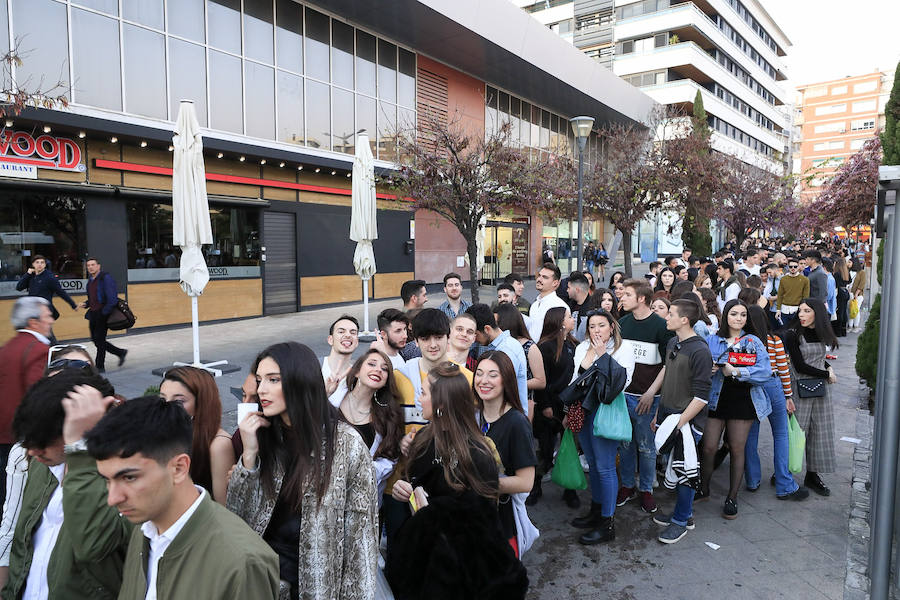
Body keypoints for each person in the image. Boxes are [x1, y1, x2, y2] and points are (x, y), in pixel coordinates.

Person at [85, 395, 280, 599]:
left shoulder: (241, 562)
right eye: (107, 480)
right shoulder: (143, 529)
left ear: (179, 468)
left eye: (129, 477)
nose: (113, 498)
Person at [228, 342, 378, 599]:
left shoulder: (346, 444)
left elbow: (361, 540)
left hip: (317, 585)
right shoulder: (261, 437)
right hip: (261, 582)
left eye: (273, 380)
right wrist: (249, 455)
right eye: (260, 379)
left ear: (301, 380)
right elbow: (236, 520)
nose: (261, 389)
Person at [386, 362, 527, 599]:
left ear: (441, 402)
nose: (419, 399)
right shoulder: (422, 437)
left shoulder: (478, 452)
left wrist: (432, 511)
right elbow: (415, 486)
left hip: (459, 572)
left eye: (423, 393)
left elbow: (481, 523)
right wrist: (406, 489)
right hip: (424, 560)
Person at [1, 370, 128, 598]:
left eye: (46, 441)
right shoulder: (43, 463)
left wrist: (79, 448)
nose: (33, 451)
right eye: (30, 440)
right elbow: (22, 544)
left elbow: (93, 544)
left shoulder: (127, 475)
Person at [698, 300, 772, 520]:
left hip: (743, 399)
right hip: (715, 398)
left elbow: (765, 371)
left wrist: (738, 372)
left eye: (742, 315)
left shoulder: (753, 341)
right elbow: (699, 367)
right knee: (709, 447)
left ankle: (732, 497)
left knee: (737, 449)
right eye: (734, 314)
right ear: (725, 317)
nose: (739, 319)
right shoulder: (712, 339)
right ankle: (704, 488)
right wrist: (710, 369)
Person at [569, 310, 634, 545]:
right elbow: (575, 382)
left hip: (607, 411)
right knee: (594, 464)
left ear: (612, 327)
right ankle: (596, 511)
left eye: (602, 325)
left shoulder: (623, 348)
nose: (597, 330)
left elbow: (620, 382)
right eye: (592, 326)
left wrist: (601, 356)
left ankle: (608, 523)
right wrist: (588, 359)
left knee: (606, 466)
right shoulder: (581, 348)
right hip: (584, 410)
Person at [650, 300, 712, 544]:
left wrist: (678, 424)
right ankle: (683, 514)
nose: (666, 317)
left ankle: (681, 521)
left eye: (671, 314)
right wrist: (659, 413)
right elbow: (668, 374)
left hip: (686, 422)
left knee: (685, 471)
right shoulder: (674, 342)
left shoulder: (700, 351)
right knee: (676, 467)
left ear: (684, 319)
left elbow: (701, 398)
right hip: (668, 415)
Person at [617, 279, 674, 514]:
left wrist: (652, 392)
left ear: (641, 298)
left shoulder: (662, 326)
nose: (622, 297)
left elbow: (668, 365)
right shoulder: (621, 323)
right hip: (623, 396)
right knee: (625, 445)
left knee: (647, 447)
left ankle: (647, 489)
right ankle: (627, 485)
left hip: (648, 399)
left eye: (627, 294)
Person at [473, 351, 537, 557]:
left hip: (502, 521)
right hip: (474, 518)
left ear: (506, 380)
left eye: (493, 375)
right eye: (479, 373)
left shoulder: (517, 423)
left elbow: (525, 482)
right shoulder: (474, 416)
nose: (484, 380)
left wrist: (477, 484)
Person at [742, 305, 809, 500]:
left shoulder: (743, 341)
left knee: (750, 435)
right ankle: (784, 483)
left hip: (750, 386)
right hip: (773, 384)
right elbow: (783, 370)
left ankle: (752, 480)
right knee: (780, 434)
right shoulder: (774, 341)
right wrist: (788, 396)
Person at [780, 298, 838, 497]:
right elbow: (799, 366)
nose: (801, 315)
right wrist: (827, 374)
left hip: (821, 390)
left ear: (817, 313)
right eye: (800, 311)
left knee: (820, 432)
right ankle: (784, 471)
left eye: (806, 311)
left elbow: (821, 359)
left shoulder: (823, 332)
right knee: (796, 432)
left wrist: (828, 368)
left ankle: (812, 475)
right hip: (800, 388)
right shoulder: (792, 334)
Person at [0, 297, 54, 505]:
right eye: (48, 316)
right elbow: (38, 396)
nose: (51, 321)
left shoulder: (7, 347)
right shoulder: (38, 350)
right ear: (34, 322)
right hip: (20, 438)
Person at [159, 366, 234, 503]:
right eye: (163, 399)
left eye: (179, 401)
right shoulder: (163, 434)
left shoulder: (218, 444)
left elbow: (224, 507)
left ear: (201, 403)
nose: (168, 407)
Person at [338, 349, 405, 500]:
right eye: (372, 364)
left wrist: (361, 472)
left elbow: (390, 458)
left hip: (364, 503)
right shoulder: (331, 402)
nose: (378, 370)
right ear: (356, 371)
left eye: (384, 369)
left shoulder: (388, 415)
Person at [534, 306, 577, 507]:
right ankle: (535, 487)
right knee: (545, 449)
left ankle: (570, 490)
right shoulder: (545, 347)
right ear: (560, 322)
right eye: (569, 317)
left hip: (568, 406)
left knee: (569, 449)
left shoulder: (573, 344)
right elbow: (541, 380)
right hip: (549, 407)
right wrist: (545, 406)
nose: (573, 319)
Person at [466, 304, 528, 414]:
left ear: (487, 329)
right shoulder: (503, 345)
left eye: (475, 334)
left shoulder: (506, 349)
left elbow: (504, 390)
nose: (474, 340)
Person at [495, 304, 546, 422]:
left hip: (522, 403)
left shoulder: (530, 347)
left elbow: (541, 381)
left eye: (497, 322)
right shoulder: (499, 344)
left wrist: (515, 383)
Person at [82, 257, 127, 372]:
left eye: (93, 265)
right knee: (95, 339)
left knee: (100, 340)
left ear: (98, 266)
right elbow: (93, 298)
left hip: (102, 313)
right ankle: (120, 352)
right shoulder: (90, 280)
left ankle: (99, 366)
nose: (90, 267)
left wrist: (104, 313)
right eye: (88, 265)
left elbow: (112, 299)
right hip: (93, 313)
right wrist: (86, 304)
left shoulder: (105, 278)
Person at [15, 254, 78, 322]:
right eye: (37, 262)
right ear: (33, 264)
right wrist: (27, 274)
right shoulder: (31, 276)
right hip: (33, 311)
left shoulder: (50, 278)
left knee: (45, 331)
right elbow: (19, 287)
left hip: (45, 311)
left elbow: (61, 292)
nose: (40, 264)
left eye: (42, 262)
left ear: (45, 264)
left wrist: (73, 304)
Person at [321, 315, 360, 407]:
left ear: (357, 342)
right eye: (341, 331)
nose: (347, 335)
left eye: (353, 333)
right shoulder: (314, 367)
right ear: (330, 340)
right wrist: (325, 394)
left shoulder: (358, 376)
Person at [527, 263, 569, 342]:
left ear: (555, 283)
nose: (539, 279)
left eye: (545, 277)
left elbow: (565, 336)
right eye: (539, 275)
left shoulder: (560, 306)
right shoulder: (534, 305)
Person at [776, 257, 810, 327]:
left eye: (795, 266)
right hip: (784, 309)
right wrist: (778, 310)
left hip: (797, 309)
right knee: (784, 330)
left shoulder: (805, 280)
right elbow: (780, 295)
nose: (793, 268)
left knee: (797, 331)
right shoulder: (783, 279)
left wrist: (803, 310)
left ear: (798, 267)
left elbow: (805, 297)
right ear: (788, 267)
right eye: (791, 266)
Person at [833, 256, 851, 337]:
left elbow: (835, 284)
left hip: (839, 292)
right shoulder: (846, 272)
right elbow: (849, 281)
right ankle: (843, 330)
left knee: (839, 312)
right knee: (844, 312)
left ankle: (838, 331)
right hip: (845, 292)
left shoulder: (837, 274)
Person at [849, 266, 867, 332]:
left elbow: (862, 284)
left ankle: (856, 326)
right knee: (850, 310)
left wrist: (857, 293)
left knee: (856, 310)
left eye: (850, 262)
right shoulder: (849, 271)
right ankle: (850, 326)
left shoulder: (862, 272)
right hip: (850, 293)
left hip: (858, 295)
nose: (848, 263)